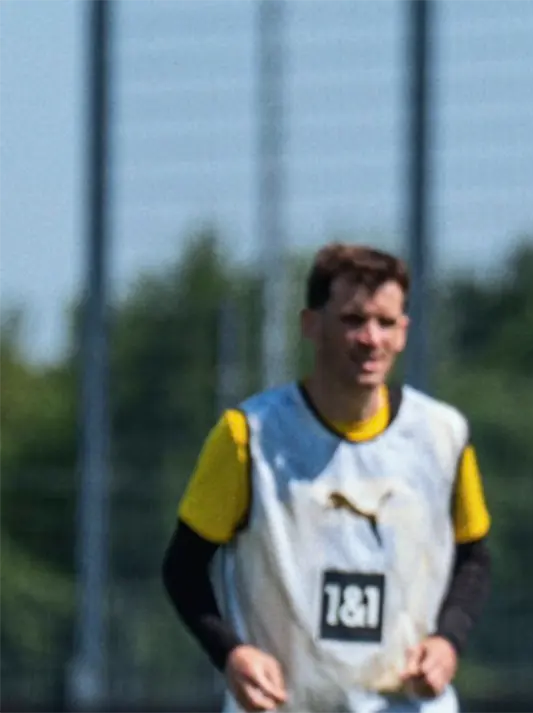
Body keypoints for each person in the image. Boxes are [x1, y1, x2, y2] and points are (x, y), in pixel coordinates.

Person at [162, 243, 493, 713]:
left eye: (386, 322)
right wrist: (231, 652)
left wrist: (448, 640)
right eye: (353, 320)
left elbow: (474, 558)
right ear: (311, 324)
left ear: (403, 332)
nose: (371, 338)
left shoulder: (443, 436)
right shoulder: (249, 436)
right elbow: (183, 567)